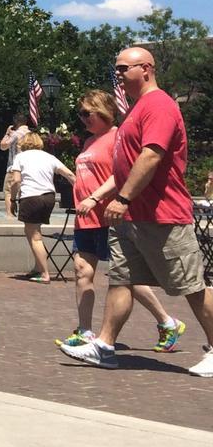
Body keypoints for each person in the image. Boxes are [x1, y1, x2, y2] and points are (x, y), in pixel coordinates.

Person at [60, 47, 213, 375]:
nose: (117, 74)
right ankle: (104, 345)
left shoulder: (159, 105)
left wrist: (123, 198)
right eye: (115, 68)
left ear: (146, 69)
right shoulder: (137, 109)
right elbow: (125, 164)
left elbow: (152, 155)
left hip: (162, 215)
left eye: (122, 68)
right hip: (131, 218)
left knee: (192, 287)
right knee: (120, 281)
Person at [57, 89, 183, 353]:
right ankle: (85, 331)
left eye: (87, 113)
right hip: (86, 219)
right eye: (80, 114)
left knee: (126, 277)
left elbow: (122, 175)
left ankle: (167, 321)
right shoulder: (89, 142)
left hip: (110, 216)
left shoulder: (117, 137)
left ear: (104, 111)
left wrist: (94, 197)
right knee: (82, 272)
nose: (83, 119)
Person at [7, 132, 75, 282]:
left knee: (34, 235)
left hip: (31, 196)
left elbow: (16, 181)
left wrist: (12, 199)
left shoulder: (20, 157)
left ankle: (44, 273)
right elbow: (69, 174)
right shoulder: (49, 157)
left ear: (23, 144)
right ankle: (37, 267)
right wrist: (81, 191)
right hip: (49, 197)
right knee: (33, 231)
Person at [0, 114, 30, 217]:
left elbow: (3, 146)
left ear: (16, 123)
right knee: (23, 191)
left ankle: (10, 215)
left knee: (8, 191)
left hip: (14, 168)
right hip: (28, 169)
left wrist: (7, 134)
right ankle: (23, 214)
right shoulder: (31, 135)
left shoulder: (16, 134)